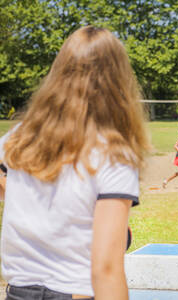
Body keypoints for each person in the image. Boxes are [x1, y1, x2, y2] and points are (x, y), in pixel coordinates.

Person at [0, 26, 149, 299]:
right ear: (118, 79)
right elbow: (105, 270)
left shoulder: (17, 138)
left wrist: (46, 210)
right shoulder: (115, 155)